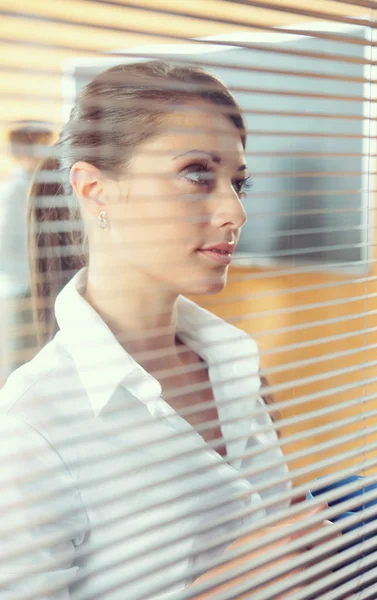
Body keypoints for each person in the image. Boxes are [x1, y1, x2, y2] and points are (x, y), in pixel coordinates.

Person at [0, 61, 330, 599]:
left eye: (239, 182)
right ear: (95, 190)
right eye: (197, 174)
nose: (236, 211)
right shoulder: (29, 427)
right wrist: (226, 585)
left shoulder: (236, 367)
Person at [0, 120, 53, 380]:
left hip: (38, 289)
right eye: (41, 146)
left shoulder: (41, 188)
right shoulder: (12, 194)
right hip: (20, 291)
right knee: (17, 371)